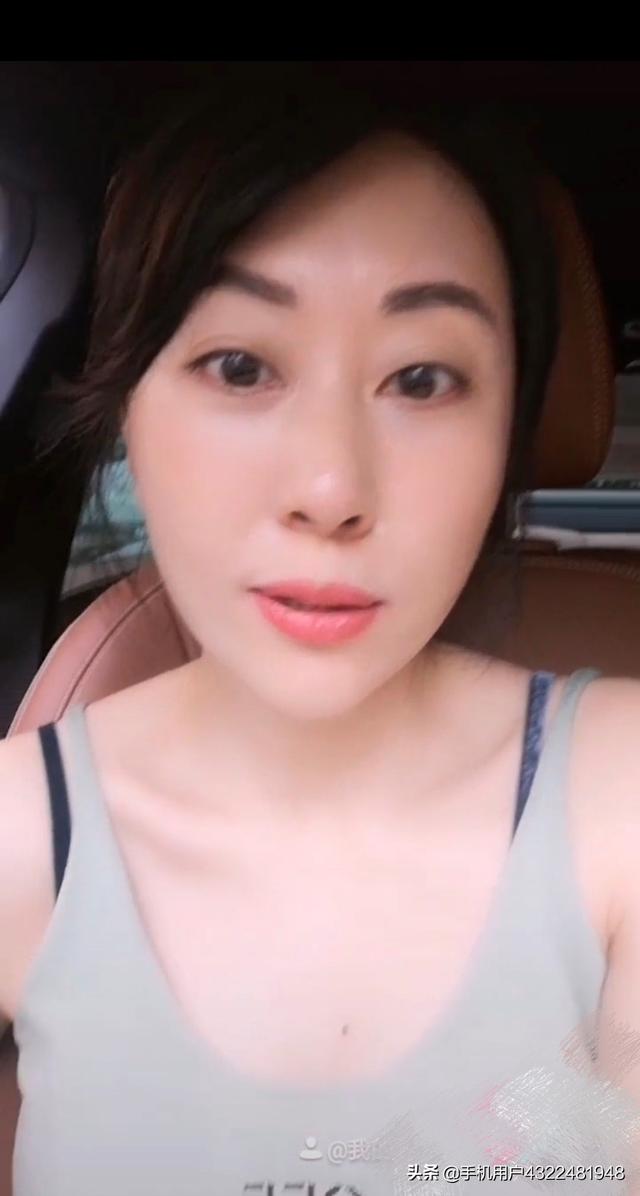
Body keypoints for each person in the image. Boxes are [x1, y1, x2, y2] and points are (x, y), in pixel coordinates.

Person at [2, 66, 640, 1196]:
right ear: (127, 404)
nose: (332, 488)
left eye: (423, 378)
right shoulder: (18, 833)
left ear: (508, 430)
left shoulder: (620, 800)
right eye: (241, 366)